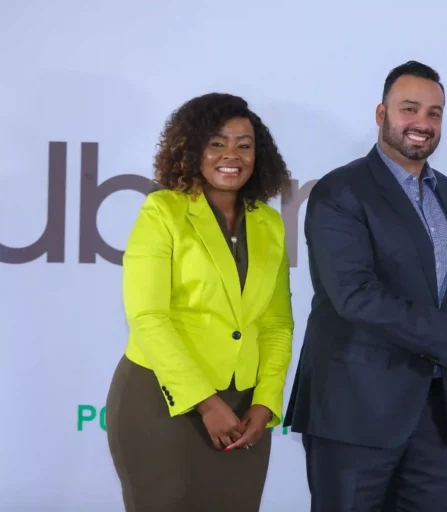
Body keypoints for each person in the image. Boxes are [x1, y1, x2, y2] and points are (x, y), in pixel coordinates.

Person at [284, 61, 447, 511]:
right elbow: (354, 296)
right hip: (353, 414)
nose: (423, 123)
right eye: (410, 109)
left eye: (434, 113)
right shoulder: (340, 191)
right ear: (381, 114)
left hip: (434, 419)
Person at [105, 93, 294, 511]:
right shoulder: (163, 212)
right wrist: (207, 404)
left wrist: (266, 403)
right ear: (192, 149)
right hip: (164, 402)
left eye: (244, 145)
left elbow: (277, 323)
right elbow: (148, 317)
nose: (232, 155)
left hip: (245, 413)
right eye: (217, 143)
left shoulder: (269, 222)